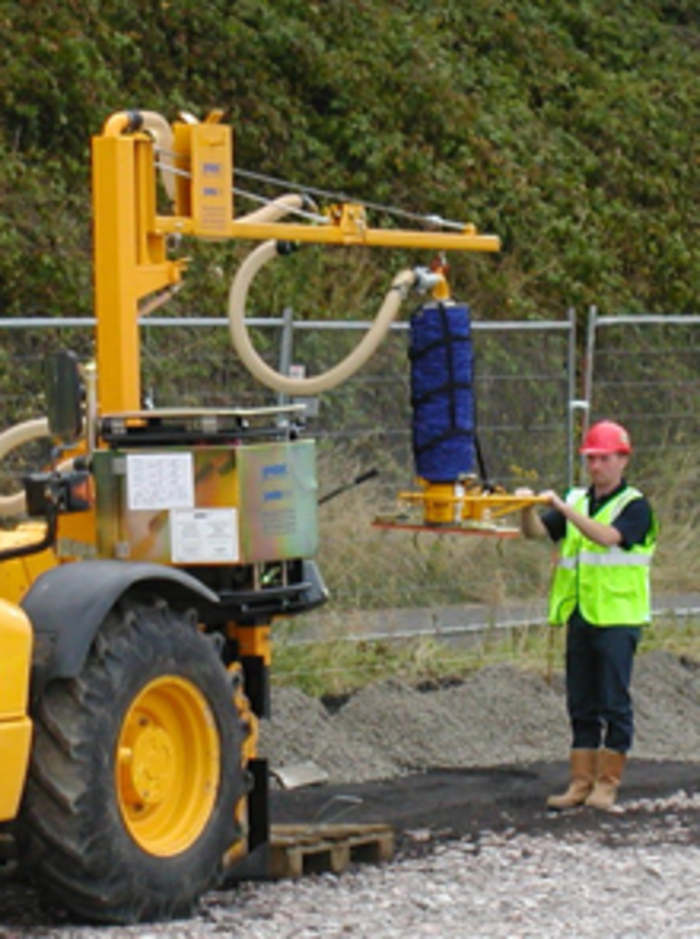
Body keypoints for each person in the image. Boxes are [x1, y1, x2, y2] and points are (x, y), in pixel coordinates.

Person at [518, 419, 657, 811]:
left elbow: (606, 536)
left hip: (619, 617)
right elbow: (534, 534)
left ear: (622, 460)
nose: (595, 466)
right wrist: (527, 510)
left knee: (614, 701)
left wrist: (561, 507)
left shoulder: (635, 506)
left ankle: (607, 783)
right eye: (591, 458)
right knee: (581, 701)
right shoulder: (577, 501)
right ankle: (580, 781)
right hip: (580, 614)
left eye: (603, 458)